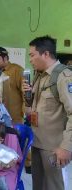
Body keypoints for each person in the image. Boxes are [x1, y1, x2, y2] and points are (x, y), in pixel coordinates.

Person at [22, 35, 72, 190]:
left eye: (32, 55)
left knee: (54, 186)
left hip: (54, 147)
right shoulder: (39, 76)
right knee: (39, 184)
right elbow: (34, 107)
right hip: (37, 141)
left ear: (46, 54)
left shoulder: (64, 77)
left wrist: (66, 146)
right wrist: (28, 95)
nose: (30, 59)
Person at [0, 47, 25, 124]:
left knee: (14, 135)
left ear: (5, 58)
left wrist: (24, 111)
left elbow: (25, 92)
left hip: (14, 116)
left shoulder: (17, 70)